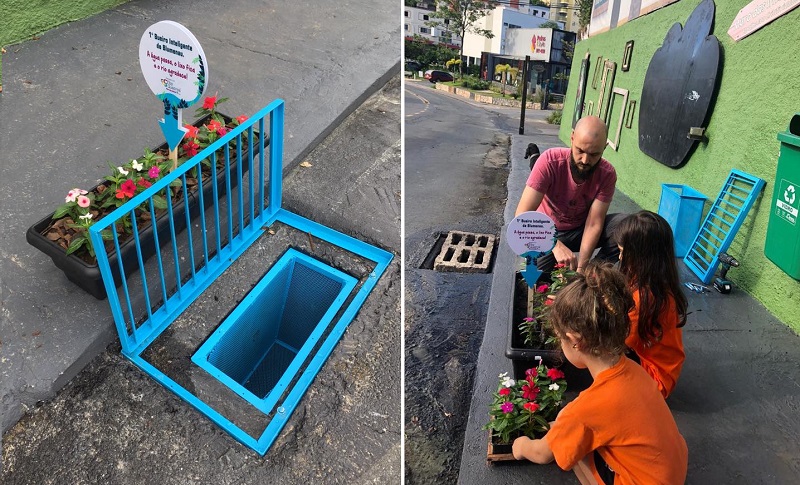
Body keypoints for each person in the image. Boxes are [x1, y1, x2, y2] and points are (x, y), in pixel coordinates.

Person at [512, 261, 688, 485]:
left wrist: (521, 446)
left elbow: (542, 454)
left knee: (574, 448)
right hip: (670, 472)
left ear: (574, 341)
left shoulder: (585, 410)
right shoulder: (635, 369)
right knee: (574, 433)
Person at [515, 116, 624, 274]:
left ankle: (593, 275)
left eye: (594, 154)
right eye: (580, 151)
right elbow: (521, 216)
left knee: (624, 226)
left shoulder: (607, 174)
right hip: (546, 231)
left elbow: (594, 223)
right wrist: (555, 245)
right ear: (572, 138)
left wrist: (581, 270)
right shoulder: (550, 161)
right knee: (533, 276)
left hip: (578, 230)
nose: (585, 160)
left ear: (604, 147)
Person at [615, 210, 688, 399]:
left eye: (622, 252)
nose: (620, 258)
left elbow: (618, 340)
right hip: (661, 368)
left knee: (599, 348)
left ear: (641, 256)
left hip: (654, 381)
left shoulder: (645, 298)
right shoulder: (655, 281)